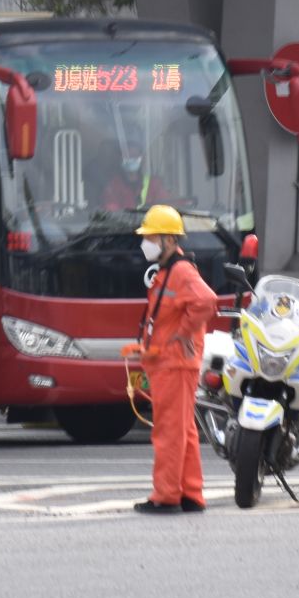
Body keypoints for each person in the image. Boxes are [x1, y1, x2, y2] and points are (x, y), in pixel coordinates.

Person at [132, 204, 217, 515]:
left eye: (151, 237)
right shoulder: (170, 272)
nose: (146, 243)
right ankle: (190, 493)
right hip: (169, 362)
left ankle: (166, 495)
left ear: (168, 240)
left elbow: (206, 301)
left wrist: (183, 333)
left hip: (175, 364)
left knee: (169, 431)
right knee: (184, 431)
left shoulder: (180, 271)